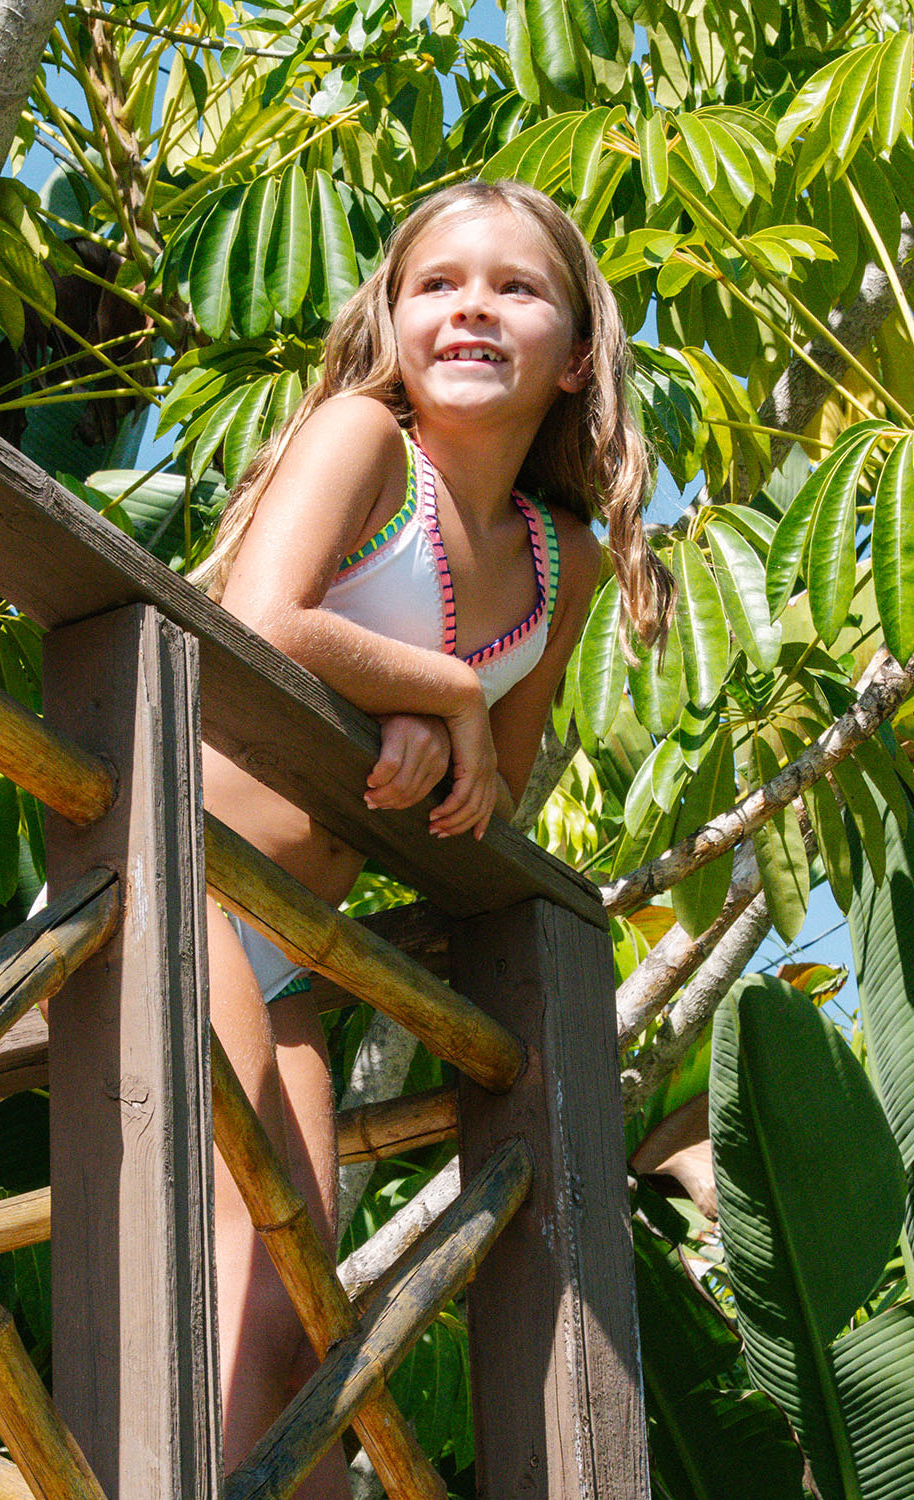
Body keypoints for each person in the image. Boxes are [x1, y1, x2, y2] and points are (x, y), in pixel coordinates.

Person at [196, 178, 672, 1494]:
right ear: (392, 321)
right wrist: (437, 686)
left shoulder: (559, 557)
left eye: (515, 288)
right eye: (436, 284)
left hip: (291, 948)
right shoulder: (363, 439)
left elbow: (492, 795)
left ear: (576, 352)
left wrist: (421, 734)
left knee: (292, 1330)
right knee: (231, 1305)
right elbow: (258, 618)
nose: (471, 307)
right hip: (183, 882)